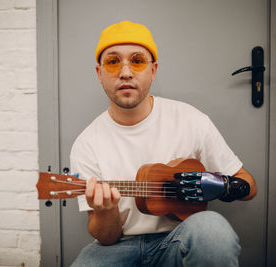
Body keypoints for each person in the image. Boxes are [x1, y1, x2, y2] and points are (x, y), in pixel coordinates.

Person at [70, 21, 257, 267]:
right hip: (118, 247)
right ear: (99, 73)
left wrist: (221, 186)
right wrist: (106, 211)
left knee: (213, 228)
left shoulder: (190, 120)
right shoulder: (86, 144)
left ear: (153, 69)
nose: (125, 72)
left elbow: (249, 185)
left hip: (181, 239)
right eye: (113, 62)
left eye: (137, 60)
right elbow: (107, 237)